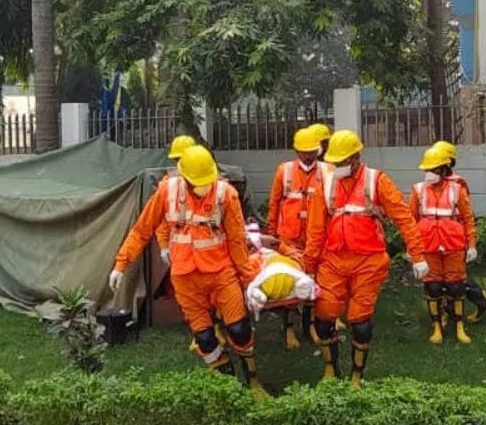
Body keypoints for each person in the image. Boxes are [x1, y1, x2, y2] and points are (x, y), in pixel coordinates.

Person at [110, 145, 268, 398]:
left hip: (221, 274)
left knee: (239, 330)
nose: (203, 187)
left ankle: (253, 380)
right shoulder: (167, 191)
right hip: (185, 277)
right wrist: (121, 264)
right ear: (183, 176)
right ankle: (228, 385)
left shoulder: (226, 194)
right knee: (204, 338)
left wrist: (249, 282)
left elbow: (237, 241)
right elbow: (142, 230)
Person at [303, 130, 426, 389]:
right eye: (334, 162)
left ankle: (357, 375)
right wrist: (309, 267)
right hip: (333, 260)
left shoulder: (376, 181)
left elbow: (403, 218)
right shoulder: (324, 185)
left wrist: (417, 255)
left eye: (343, 162)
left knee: (360, 321)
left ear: (357, 157)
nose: (337, 167)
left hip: (368, 262)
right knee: (323, 319)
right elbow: (315, 230)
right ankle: (330, 368)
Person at [412, 146, 478, 344]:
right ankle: (436, 328)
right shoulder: (418, 190)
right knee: (432, 287)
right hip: (428, 245)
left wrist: (472, 245)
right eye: (427, 170)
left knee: (456, 287)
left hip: (453, 245)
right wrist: (412, 250)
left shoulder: (458, 189)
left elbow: (468, 218)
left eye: (433, 170)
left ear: (443, 169)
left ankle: (459, 326)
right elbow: (410, 220)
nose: (428, 174)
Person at [265, 126, 323, 349]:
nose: (308, 155)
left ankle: (310, 326)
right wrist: (271, 231)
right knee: (290, 282)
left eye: (312, 151)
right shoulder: (285, 171)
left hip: (315, 237)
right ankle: (289, 329)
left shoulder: (326, 171)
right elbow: (274, 201)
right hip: (289, 237)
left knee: (313, 282)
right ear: (296, 150)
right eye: (304, 151)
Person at [431, 140, 486, 322]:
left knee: (455, 278)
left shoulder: (456, 183)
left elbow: (464, 213)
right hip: (445, 236)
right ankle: (453, 311)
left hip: (453, 237)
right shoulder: (450, 182)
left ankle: (479, 302)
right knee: (450, 278)